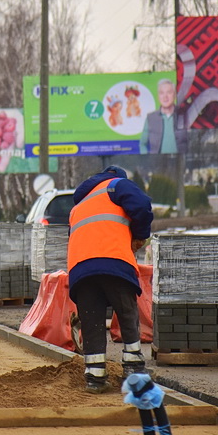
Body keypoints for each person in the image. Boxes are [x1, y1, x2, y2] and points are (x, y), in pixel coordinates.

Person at [67, 165, 153, 393]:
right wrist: (140, 235)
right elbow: (142, 206)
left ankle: (95, 377)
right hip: (113, 259)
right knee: (126, 311)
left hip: (80, 269)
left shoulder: (79, 205)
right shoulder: (116, 185)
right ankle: (133, 368)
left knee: (92, 320)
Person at [139, 78, 187, 155]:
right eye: (161, 93)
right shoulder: (151, 118)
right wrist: (148, 160)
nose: (165, 97)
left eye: (169, 92)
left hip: (180, 164)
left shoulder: (184, 115)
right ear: (158, 96)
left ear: (174, 95)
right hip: (158, 165)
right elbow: (142, 144)